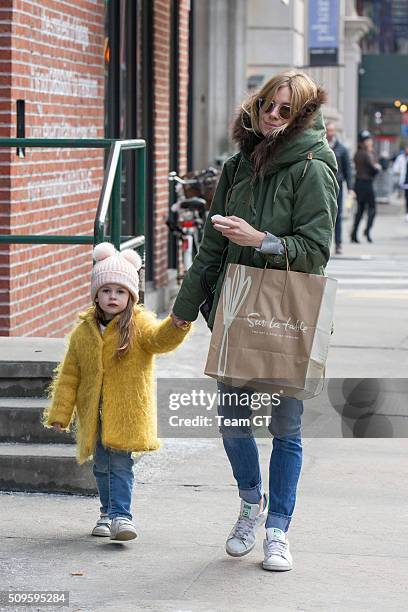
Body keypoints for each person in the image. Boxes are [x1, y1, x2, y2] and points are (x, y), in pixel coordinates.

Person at [171, 71, 338, 571]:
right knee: (233, 423)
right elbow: (211, 247)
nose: (272, 115)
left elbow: (317, 251)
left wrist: (260, 239)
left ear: (302, 115)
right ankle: (249, 504)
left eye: (286, 110)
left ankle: (278, 530)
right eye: (268, 104)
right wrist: (181, 313)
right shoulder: (237, 165)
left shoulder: (314, 166)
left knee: (285, 428)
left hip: (286, 314)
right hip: (236, 309)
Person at [43, 242, 191, 541]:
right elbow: (70, 375)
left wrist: (176, 326)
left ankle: (122, 516)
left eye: (120, 291)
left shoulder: (139, 324)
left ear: (131, 296)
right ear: (96, 294)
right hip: (94, 416)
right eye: (107, 290)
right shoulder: (84, 331)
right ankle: (106, 512)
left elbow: (160, 340)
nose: (113, 296)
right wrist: (61, 413)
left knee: (120, 465)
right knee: (101, 467)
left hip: (125, 414)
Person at [326, 122, 354, 254]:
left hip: (337, 187)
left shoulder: (342, 149)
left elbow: (348, 170)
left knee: (337, 215)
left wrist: (351, 188)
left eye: (332, 131)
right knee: (323, 216)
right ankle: (324, 244)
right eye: (328, 131)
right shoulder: (321, 146)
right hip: (323, 186)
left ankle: (338, 244)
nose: (330, 133)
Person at [350, 130, 382, 243]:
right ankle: (367, 232)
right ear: (363, 143)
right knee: (372, 209)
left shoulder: (358, 153)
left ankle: (354, 234)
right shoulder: (366, 154)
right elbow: (373, 169)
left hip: (359, 183)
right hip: (366, 184)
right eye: (367, 140)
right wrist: (377, 167)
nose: (370, 142)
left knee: (360, 210)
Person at [392, 145, 408, 222]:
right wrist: (398, 172)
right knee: (407, 198)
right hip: (404, 181)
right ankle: (407, 213)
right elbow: (395, 168)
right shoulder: (400, 158)